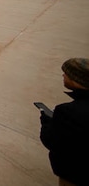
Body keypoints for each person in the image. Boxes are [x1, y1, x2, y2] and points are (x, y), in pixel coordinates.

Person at [39, 58, 89, 186]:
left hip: (76, 173)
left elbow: (51, 140)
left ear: (76, 80)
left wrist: (46, 120)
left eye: (66, 74)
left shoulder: (68, 111)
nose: (63, 76)